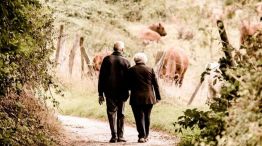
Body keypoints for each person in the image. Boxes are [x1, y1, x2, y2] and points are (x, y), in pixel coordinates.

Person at [98, 41, 130, 143]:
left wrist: (100, 93)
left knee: (111, 113)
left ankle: (114, 136)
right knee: (121, 113)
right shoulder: (126, 62)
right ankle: (120, 136)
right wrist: (129, 91)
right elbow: (129, 79)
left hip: (109, 91)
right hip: (122, 92)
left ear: (113, 48)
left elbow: (101, 77)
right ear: (122, 49)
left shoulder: (107, 60)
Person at [127, 52, 161, 143]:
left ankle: (141, 136)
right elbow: (155, 85)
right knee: (147, 116)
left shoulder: (130, 70)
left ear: (135, 60)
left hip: (135, 97)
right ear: (144, 60)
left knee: (138, 117)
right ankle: (146, 136)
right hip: (149, 97)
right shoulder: (150, 69)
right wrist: (158, 97)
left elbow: (128, 85)